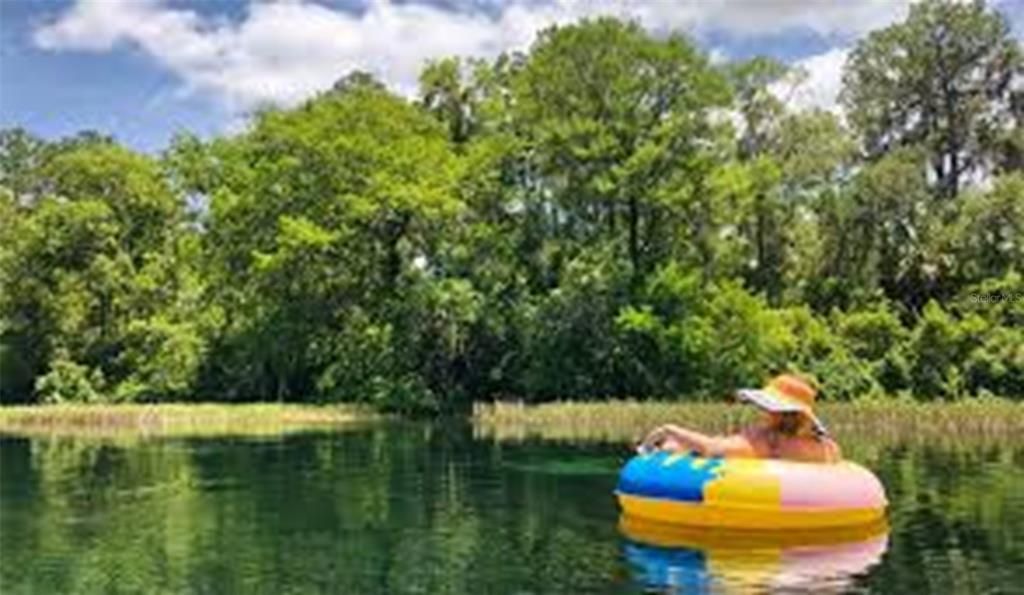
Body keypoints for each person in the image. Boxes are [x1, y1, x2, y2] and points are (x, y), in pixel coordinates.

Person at [637, 374, 842, 463]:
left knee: (670, 447)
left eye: (767, 407)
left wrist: (669, 429)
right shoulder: (825, 448)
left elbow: (713, 450)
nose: (763, 411)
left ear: (777, 412)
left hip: (744, 468)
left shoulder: (765, 439)